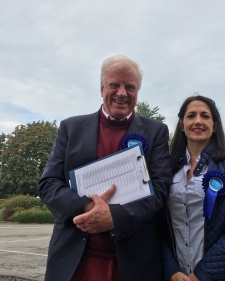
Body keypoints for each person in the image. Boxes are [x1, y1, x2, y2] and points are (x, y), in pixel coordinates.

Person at [38, 55, 171, 281]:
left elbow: (160, 189)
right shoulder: (71, 128)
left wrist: (114, 217)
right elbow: (48, 184)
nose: (122, 93)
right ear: (102, 88)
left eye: (130, 87)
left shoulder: (156, 131)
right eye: (114, 85)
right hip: (77, 260)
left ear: (137, 92)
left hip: (134, 263)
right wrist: (88, 206)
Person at [161, 95, 225, 281]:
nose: (198, 121)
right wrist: (171, 270)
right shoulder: (167, 166)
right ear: (182, 124)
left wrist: (201, 275)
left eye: (205, 116)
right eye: (191, 116)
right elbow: (157, 226)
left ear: (214, 125)